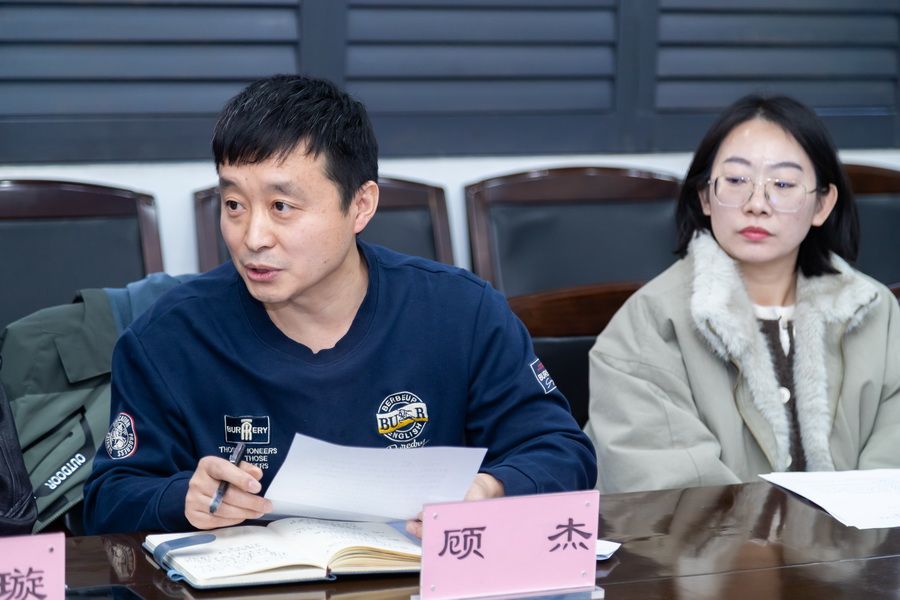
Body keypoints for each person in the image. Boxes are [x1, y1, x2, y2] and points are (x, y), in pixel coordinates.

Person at [82, 74, 596, 534]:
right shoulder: (168, 337)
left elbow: (560, 451)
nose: (253, 237)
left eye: (282, 206)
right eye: (234, 204)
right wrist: (183, 498)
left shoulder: (461, 313)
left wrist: (487, 490)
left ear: (361, 205)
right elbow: (108, 499)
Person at [585, 94, 900, 494]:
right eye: (736, 181)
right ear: (705, 196)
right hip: (717, 539)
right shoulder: (649, 322)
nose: (757, 205)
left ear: (822, 204)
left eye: (783, 184)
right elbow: (667, 490)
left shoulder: (876, 311)